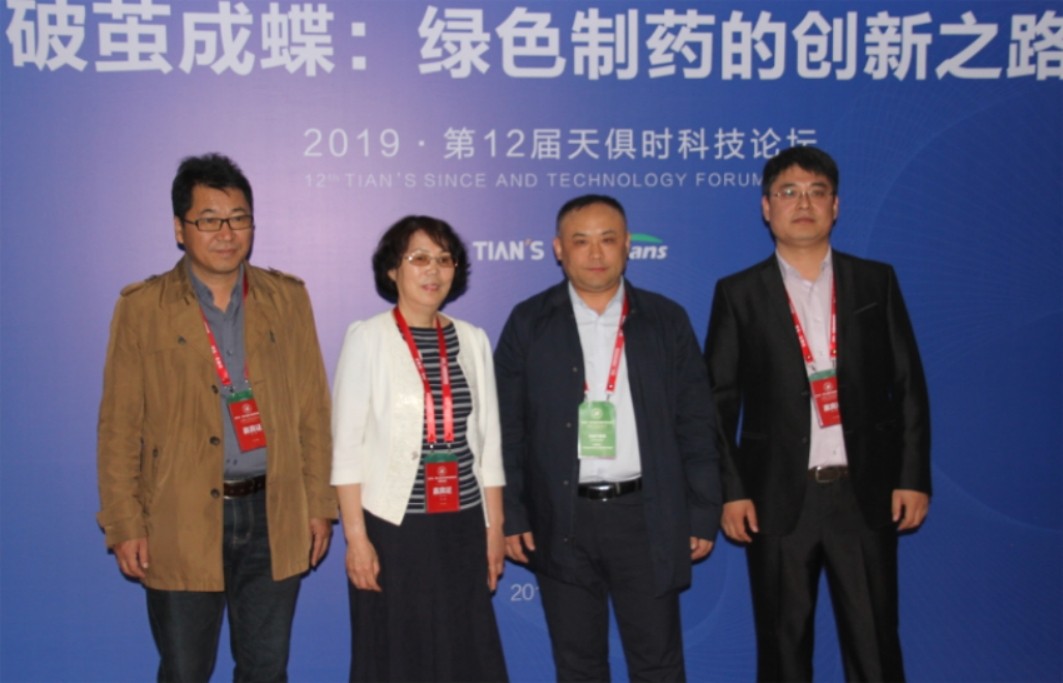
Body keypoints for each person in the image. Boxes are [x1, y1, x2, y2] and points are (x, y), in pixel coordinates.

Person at [96, 153, 336, 682]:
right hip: (179, 516)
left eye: (238, 218)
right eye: (209, 220)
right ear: (180, 229)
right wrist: (124, 522)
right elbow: (118, 427)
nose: (226, 233)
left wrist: (320, 504)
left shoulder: (288, 299)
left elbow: (314, 413)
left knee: (266, 670)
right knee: (185, 671)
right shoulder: (143, 308)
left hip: (274, 512)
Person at [703, 146, 931, 682]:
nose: (802, 203)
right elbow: (717, 404)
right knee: (783, 649)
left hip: (865, 494)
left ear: (835, 206)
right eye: (788, 192)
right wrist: (731, 491)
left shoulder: (875, 282)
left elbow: (909, 386)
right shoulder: (738, 294)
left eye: (816, 192)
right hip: (777, 499)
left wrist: (912, 477)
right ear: (767, 207)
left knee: (875, 646)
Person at [495, 194, 721, 682]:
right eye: (581, 241)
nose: (595, 253)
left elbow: (697, 423)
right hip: (560, 517)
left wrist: (703, 510)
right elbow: (506, 428)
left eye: (608, 239)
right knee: (578, 666)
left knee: (658, 664)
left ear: (627, 245)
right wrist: (512, 513)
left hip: (646, 516)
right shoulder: (529, 322)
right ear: (559, 249)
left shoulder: (666, 320)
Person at [331, 216, 508, 682]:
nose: (433, 270)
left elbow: (489, 445)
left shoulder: (472, 340)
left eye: (445, 259)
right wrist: (356, 539)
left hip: (463, 524)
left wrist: (494, 529)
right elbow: (346, 447)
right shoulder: (368, 338)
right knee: (398, 657)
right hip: (394, 529)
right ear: (393, 269)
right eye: (419, 258)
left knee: (464, 655)